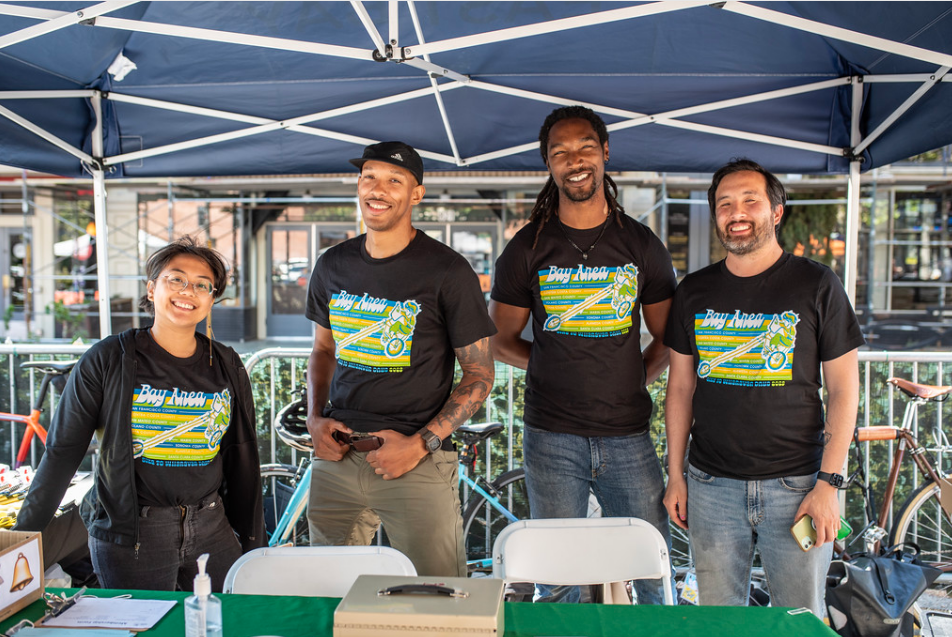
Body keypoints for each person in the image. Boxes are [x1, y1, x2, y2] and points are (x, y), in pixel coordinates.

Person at [490, 105, 676, 603]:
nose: (575, 160)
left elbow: (670, 337)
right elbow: (499, 339)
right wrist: (554, 363)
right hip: (551, 436)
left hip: (628, 435)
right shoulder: (527, 247)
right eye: (560, 152)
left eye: (585, 147)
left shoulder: (641, 244)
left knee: (653, 570)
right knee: (557, 578)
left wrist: (632, 376)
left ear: (605, 152)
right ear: (548, 163)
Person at [663, 159, 864, 615]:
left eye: (750, 201)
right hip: (711, 486)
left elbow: (844, 391)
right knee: (720, 621)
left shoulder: (817, 284)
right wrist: (675, 475)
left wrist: (828, 485)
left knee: (800, 620)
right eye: (725, 204)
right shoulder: (693, 291)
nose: (737, 213)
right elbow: (679, 389)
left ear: (776, 211)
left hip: (798, 486)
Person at [16, 236, 264, 591]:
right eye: (175, 279)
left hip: (212, 526)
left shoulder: (226, 363)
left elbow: (242, 454)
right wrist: (23, 538)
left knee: (227, 618)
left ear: (212, 299)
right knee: (145, 620)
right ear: (151, 289)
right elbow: (62, 452)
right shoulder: (107, 359)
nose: (188, 291)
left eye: (202, 285)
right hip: (134, 535)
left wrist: (254, 539)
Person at [304, 140, 496, 577]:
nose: (378, 189)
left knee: (439, 593)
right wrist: (315, 418)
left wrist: (421, 444)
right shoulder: (332, 264)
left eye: (394, 180)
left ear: (416, 194)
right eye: (369, 177)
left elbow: (480, 373)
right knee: (326, 591)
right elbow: (323, 350)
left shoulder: (448, 270)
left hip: (416, 459)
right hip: (338, 455)